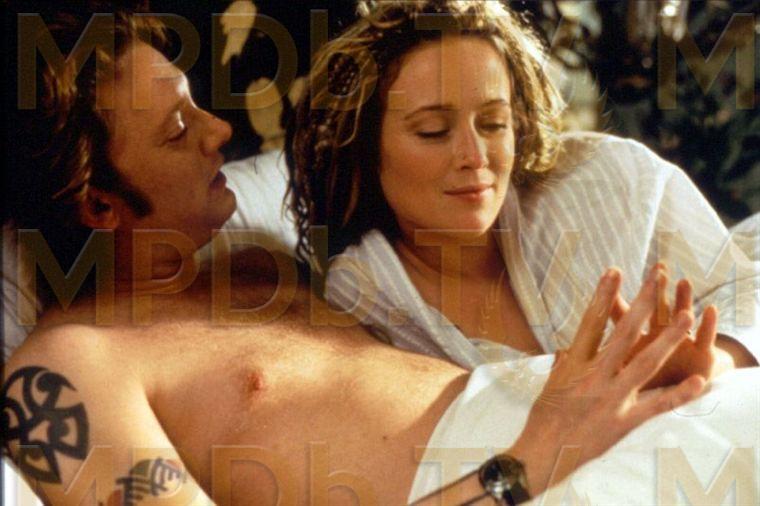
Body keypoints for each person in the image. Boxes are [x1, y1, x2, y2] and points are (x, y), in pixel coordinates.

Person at [2, 3, 725, 505]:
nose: (219, 132)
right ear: (99, 205)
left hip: (567, 423)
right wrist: (527, 463)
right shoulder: (64, 372)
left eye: (195, 104)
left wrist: (640, 372)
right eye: (177, 129)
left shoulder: (257, 261)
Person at [287, 0, 759, 379]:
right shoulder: (361, 299)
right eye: (433, 131)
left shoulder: (609, 176)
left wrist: (715, 359)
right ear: (365, 147)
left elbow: (744, 286)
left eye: (494, 123)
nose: (475, 155)